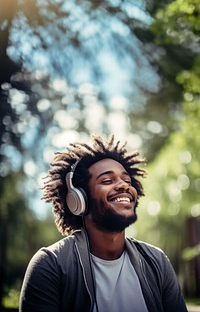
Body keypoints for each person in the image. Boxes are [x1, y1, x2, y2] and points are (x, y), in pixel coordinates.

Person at [19, 134, 188, 312]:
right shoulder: (51, 264)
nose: (124, 185)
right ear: (78, 200)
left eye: (127, 180)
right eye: (107, 180)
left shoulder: (157, 261)